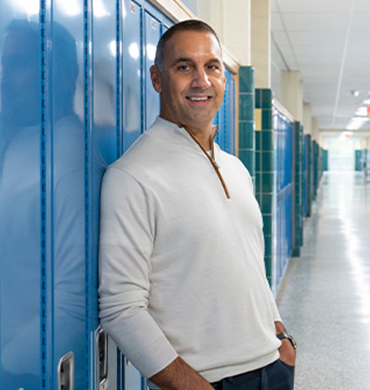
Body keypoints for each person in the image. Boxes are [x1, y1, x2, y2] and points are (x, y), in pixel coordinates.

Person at [98, 20, 296, 390]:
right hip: (208, 381)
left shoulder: (235, 168)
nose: (201, 81)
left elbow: (250, 264)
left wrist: (282, 338)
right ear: (158, 79)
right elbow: (121, 308)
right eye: (184, 66)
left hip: (274, 367)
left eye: (212, 66)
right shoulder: (133, 176)